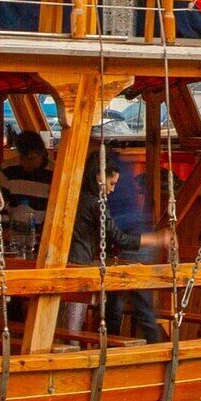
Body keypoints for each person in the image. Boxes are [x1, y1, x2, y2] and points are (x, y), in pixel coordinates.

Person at [71, 146, 165, 342]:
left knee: (110, 307)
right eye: (111, 183)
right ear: (99, 177)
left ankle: (110, 343)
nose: (112, 189)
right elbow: (118, 237)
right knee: (75, 320)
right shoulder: (96, 203)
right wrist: (154, 239)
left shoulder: (79, 197)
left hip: (75, 258)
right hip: (79, 261)